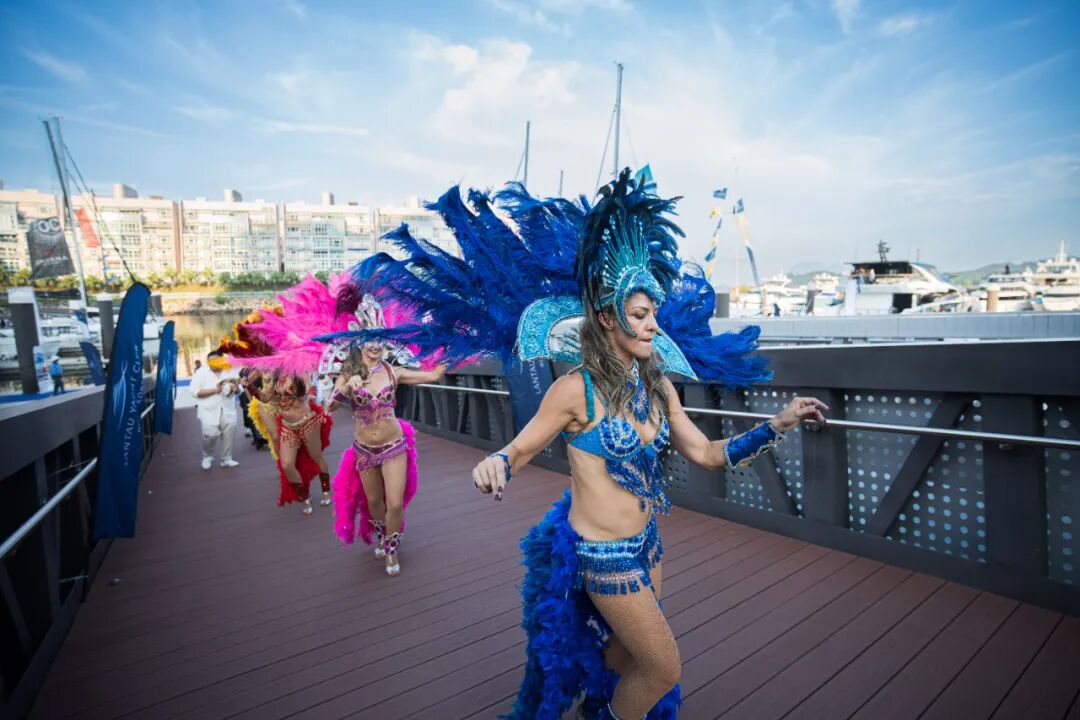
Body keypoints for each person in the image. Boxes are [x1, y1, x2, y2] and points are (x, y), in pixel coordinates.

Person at [469, 171, 828, 719]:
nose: (653, 327)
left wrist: (777, 424)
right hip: (603, 554)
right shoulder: (574, 391)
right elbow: (518, 449)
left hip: (648, 544)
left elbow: (706, 454)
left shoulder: (657, 386)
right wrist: (495, 463)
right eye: (640, 316)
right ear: (607, 318)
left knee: (625, 661)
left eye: (654, 315)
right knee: (664, 667)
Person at [327, 296, 447, 576]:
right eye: (370, 339)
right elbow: (329, 406)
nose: (375, 345)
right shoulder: (347, 372)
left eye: (380, 339)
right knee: (374, 502)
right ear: (360, 341)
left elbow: (433, 376)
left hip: (394, 446)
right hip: (364, 450)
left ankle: (392, 549)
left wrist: (450, 347)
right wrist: (347, 388)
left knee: (394, 502)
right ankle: (382, 534)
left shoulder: (394, 372)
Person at [189, 350, 240, 470]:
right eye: (210, 361)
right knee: (210, 435)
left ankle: (226, 459)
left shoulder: (230, 370)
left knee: (229, 432)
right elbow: (194, 392)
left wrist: (235, 389)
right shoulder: (202, 372)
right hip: (208, 410)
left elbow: (239, 389)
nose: (212, 363)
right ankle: (207, 456)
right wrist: (215, 391)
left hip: (227, 409)